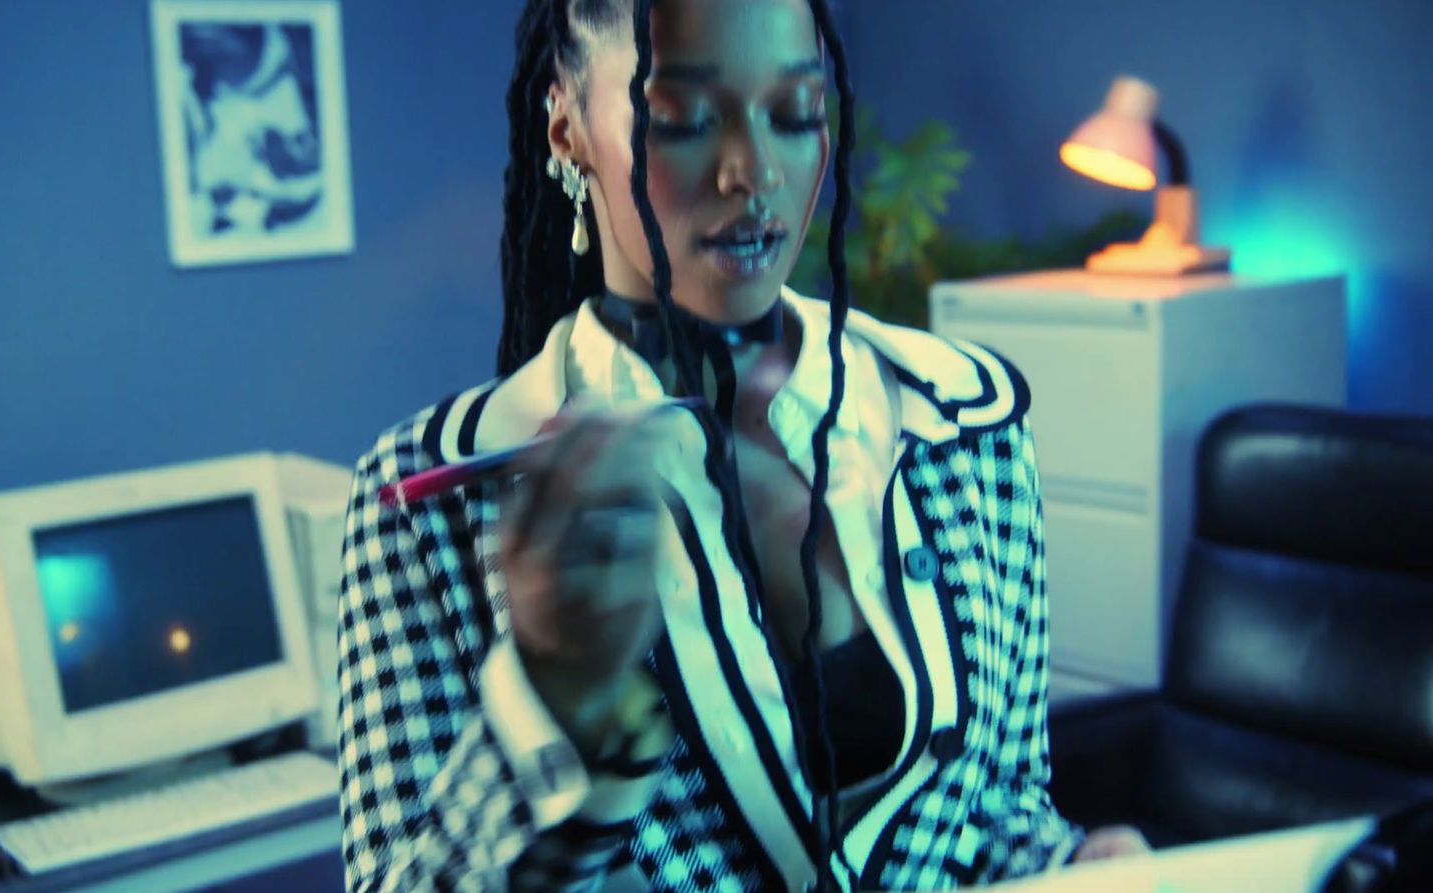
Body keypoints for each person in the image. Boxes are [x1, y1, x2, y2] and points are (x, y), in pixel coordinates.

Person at [336, 1, 1148, 890]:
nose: (753, 171)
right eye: (683, 119)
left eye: (796, 113)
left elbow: (995, 810)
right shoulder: (436, 502)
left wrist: (1073, 862)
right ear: (565, 122)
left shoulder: (964, 419)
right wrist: (551, 696)